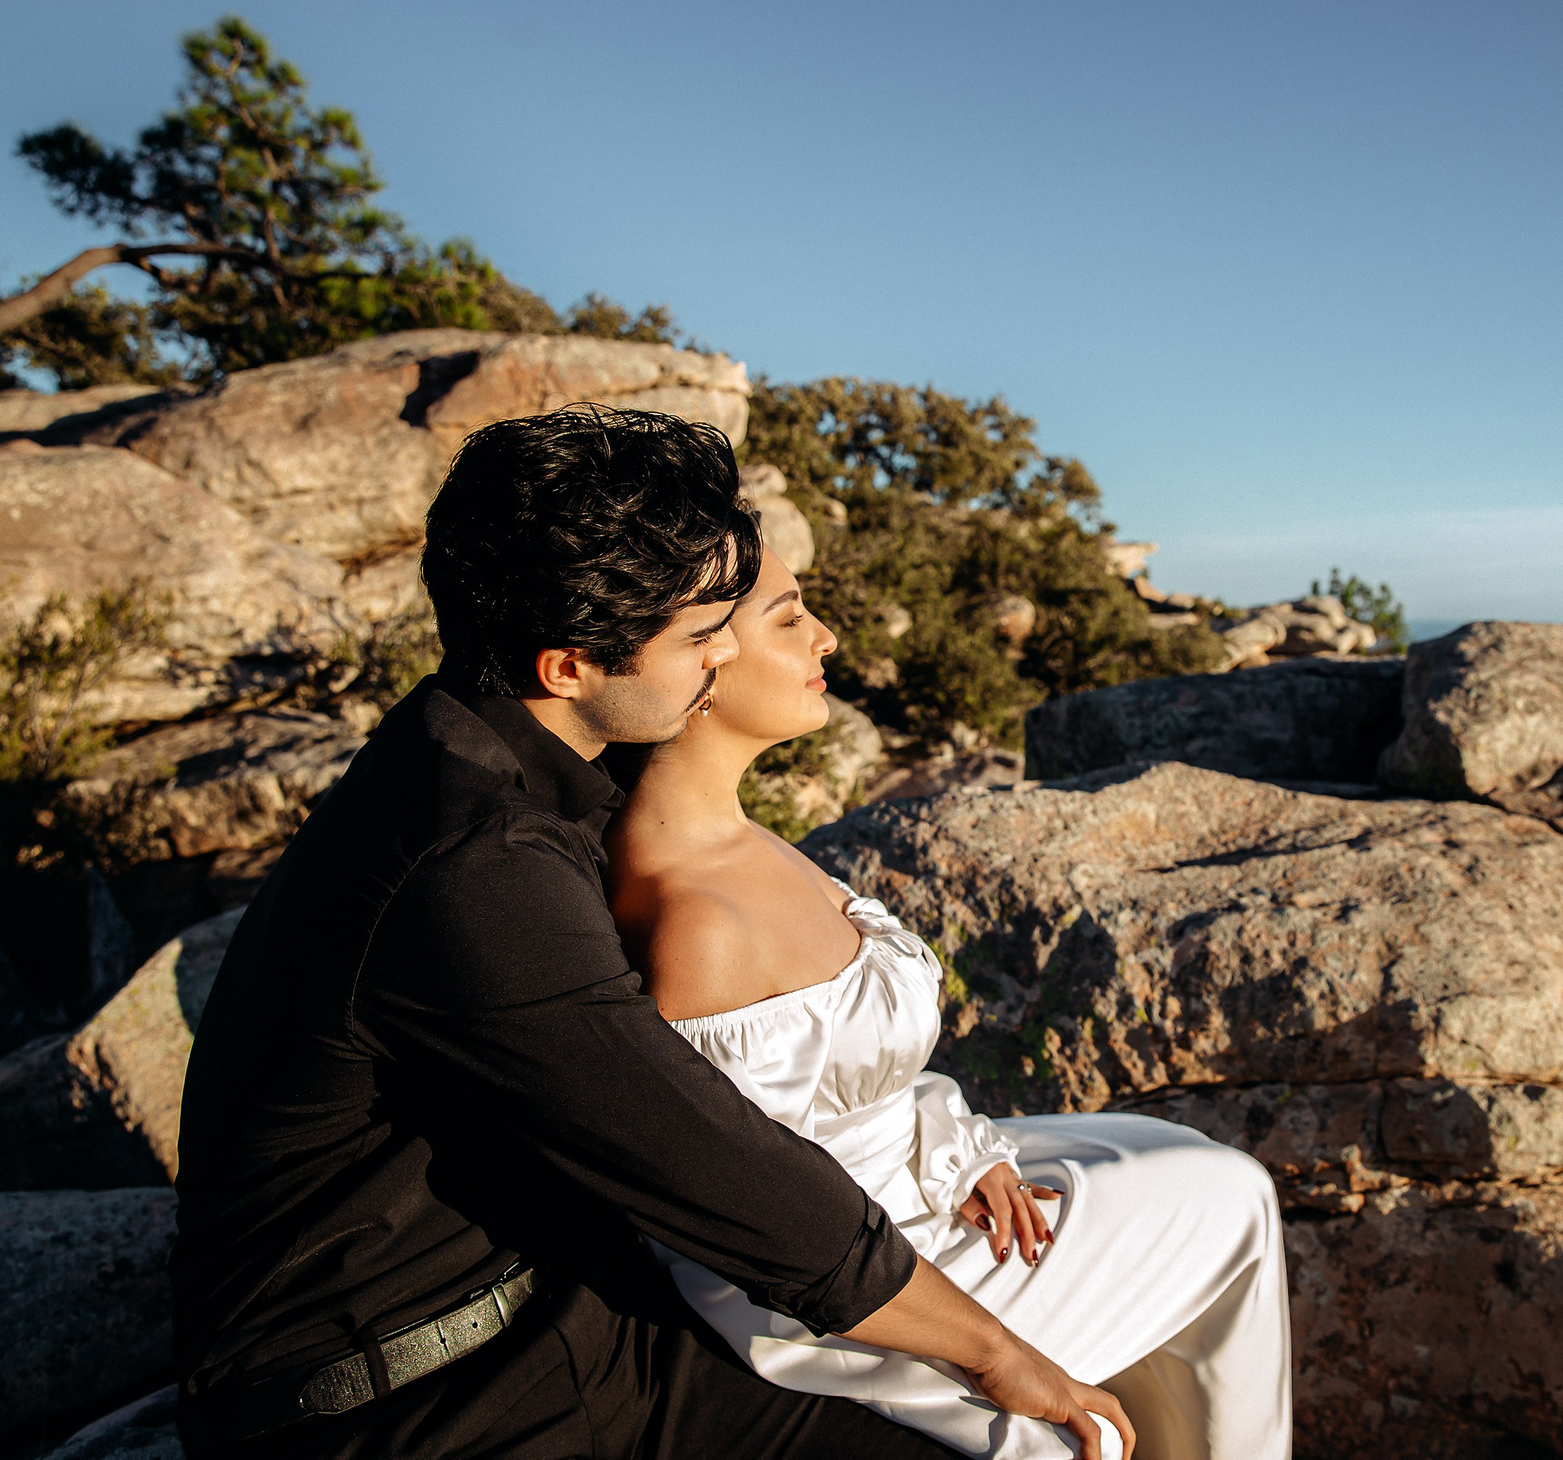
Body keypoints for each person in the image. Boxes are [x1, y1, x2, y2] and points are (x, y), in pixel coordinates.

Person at [173, 404, 1130, 1460]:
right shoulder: (470, 865)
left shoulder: (484, 739)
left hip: (575, 1314)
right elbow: (710, 1160)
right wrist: (994, 1350)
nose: (724, 658)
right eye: (700, 635)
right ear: (569, 664)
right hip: (411, 1402)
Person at [603, 548, 1294, 1460]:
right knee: (1231, 1204)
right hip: (869, 1277)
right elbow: (758, 1206)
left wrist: (956, 1145)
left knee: (1185, 1162)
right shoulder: (698, 920)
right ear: (700, 661)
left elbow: (832, 1073)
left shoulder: (741, 836)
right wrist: (980, 1343)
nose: (828, 637)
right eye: (788, 618)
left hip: (926, 1176)